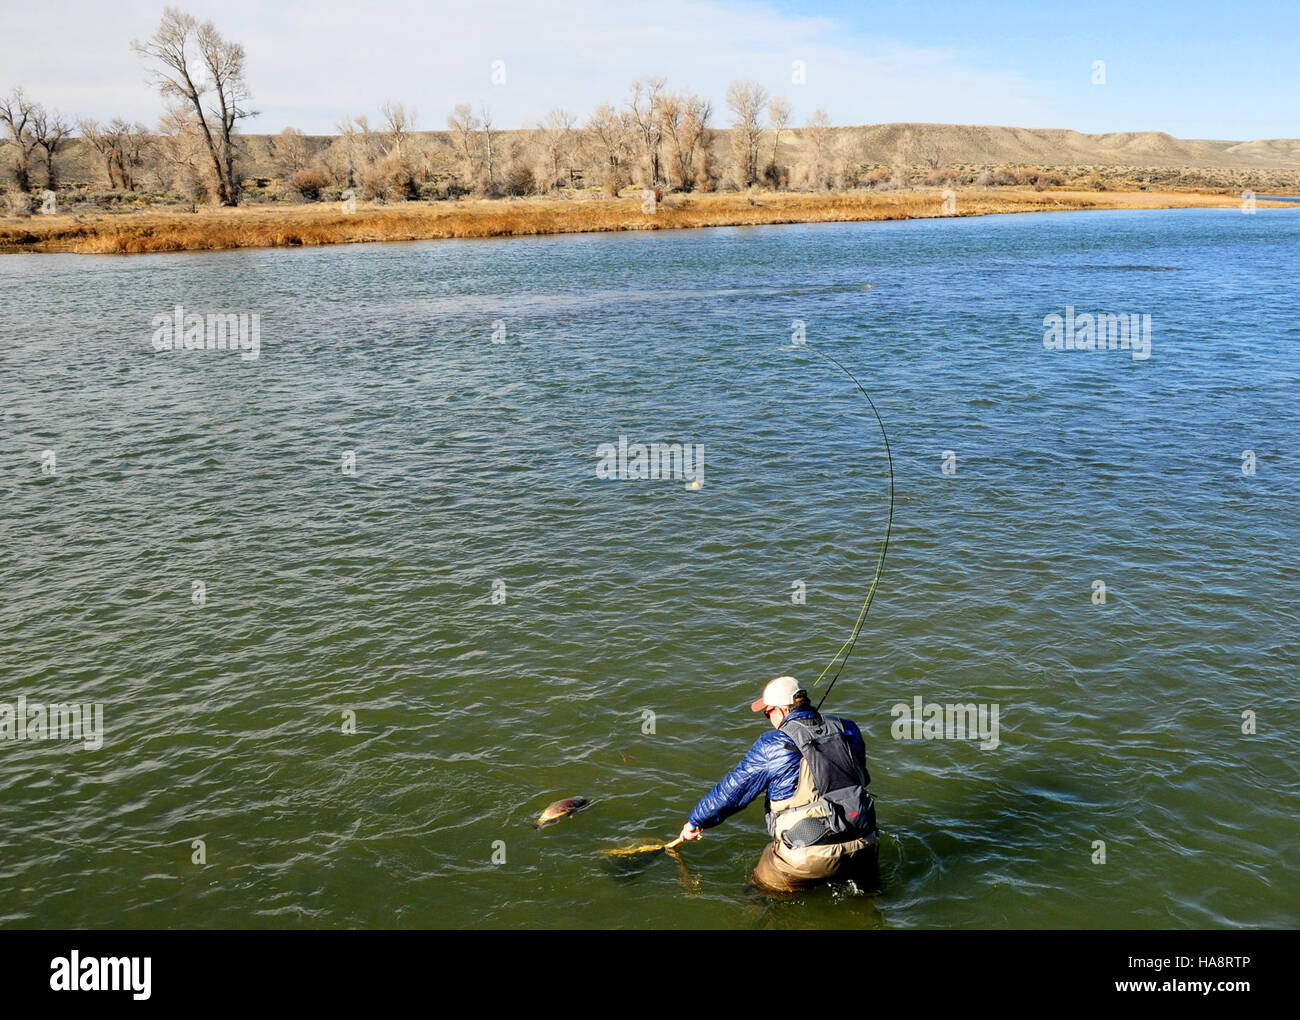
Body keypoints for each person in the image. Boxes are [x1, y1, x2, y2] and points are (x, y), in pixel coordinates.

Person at [678, 675, 879, 893]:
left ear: (781, 711)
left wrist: (696, 821)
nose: (769, 719)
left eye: (767, 713)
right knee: (865, 895)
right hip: (864, 844)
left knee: (757, 891)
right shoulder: (848, 728)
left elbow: (733, 791)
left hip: (805, 858)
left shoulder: (772, 743)